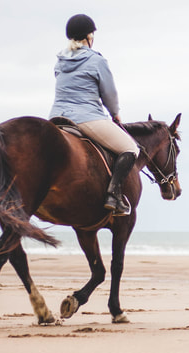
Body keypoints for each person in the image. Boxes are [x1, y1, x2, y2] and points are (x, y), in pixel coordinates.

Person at [49, 13, 140, 215]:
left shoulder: (60, 61)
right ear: (89, 37)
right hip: (86, 117)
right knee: (130, 148)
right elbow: (109, 94)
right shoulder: (96, 60)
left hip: (56, 118)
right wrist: (115, 114)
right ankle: (113, 195)